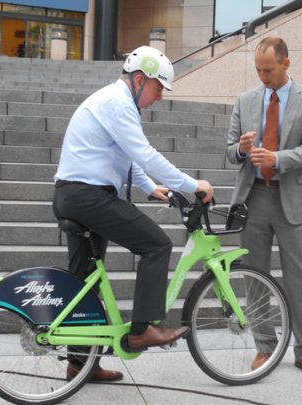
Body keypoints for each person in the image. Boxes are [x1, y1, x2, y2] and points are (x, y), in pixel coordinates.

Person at [53, 46, 214, 382]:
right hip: (88, 196)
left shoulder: (114, 101)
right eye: (158, 88)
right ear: (140, 79)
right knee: (156, 245)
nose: (159, 97)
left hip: (76, 195)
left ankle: (79, 365)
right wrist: (192, 184)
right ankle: (143, 329)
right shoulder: (117, 103)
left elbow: (126, 156)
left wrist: (149, 187)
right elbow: (144, 153)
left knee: (85, 283)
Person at [226, 37, 302, 382]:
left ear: (287, 64)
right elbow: (229, 151)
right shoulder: (244, 99)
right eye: (258, 69)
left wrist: (278, 159)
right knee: (255, 277)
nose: (262, 76)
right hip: (252, 199)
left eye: (268, 69)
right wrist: (241, 150)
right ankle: (264, 346)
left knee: (299, 280)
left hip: (293, 201)